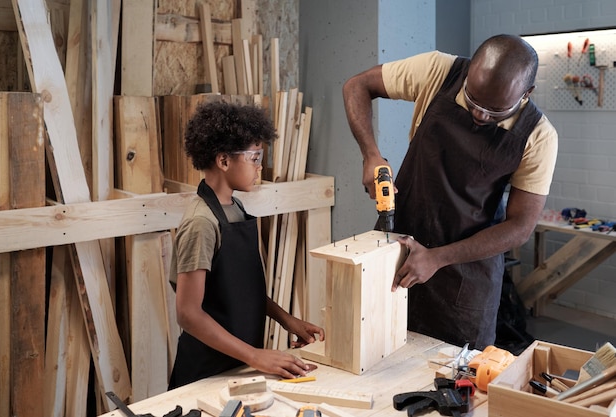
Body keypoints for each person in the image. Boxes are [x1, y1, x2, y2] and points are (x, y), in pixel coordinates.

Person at [342, 34, 558, 350]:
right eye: (473, 100)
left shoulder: (539, 137)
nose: (480, 115)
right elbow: (356, 86)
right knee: (376, 354)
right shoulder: (438, 71)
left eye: (495, 110)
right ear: (470, 72)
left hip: (465, 279)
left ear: (526, 94)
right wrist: (371, 154)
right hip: (398, 251)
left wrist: (437, 258)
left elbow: (520, 228)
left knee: (457, 378)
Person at [168, 101, 324, 389]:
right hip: (206, 372)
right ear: (224, 161)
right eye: (254, 157)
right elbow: (188, 314)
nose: (259, 166)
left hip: (238, 364)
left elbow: (238, 289)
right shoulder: (201, 223)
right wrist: (256, 356)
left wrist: (287, 319)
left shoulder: (235, 207)